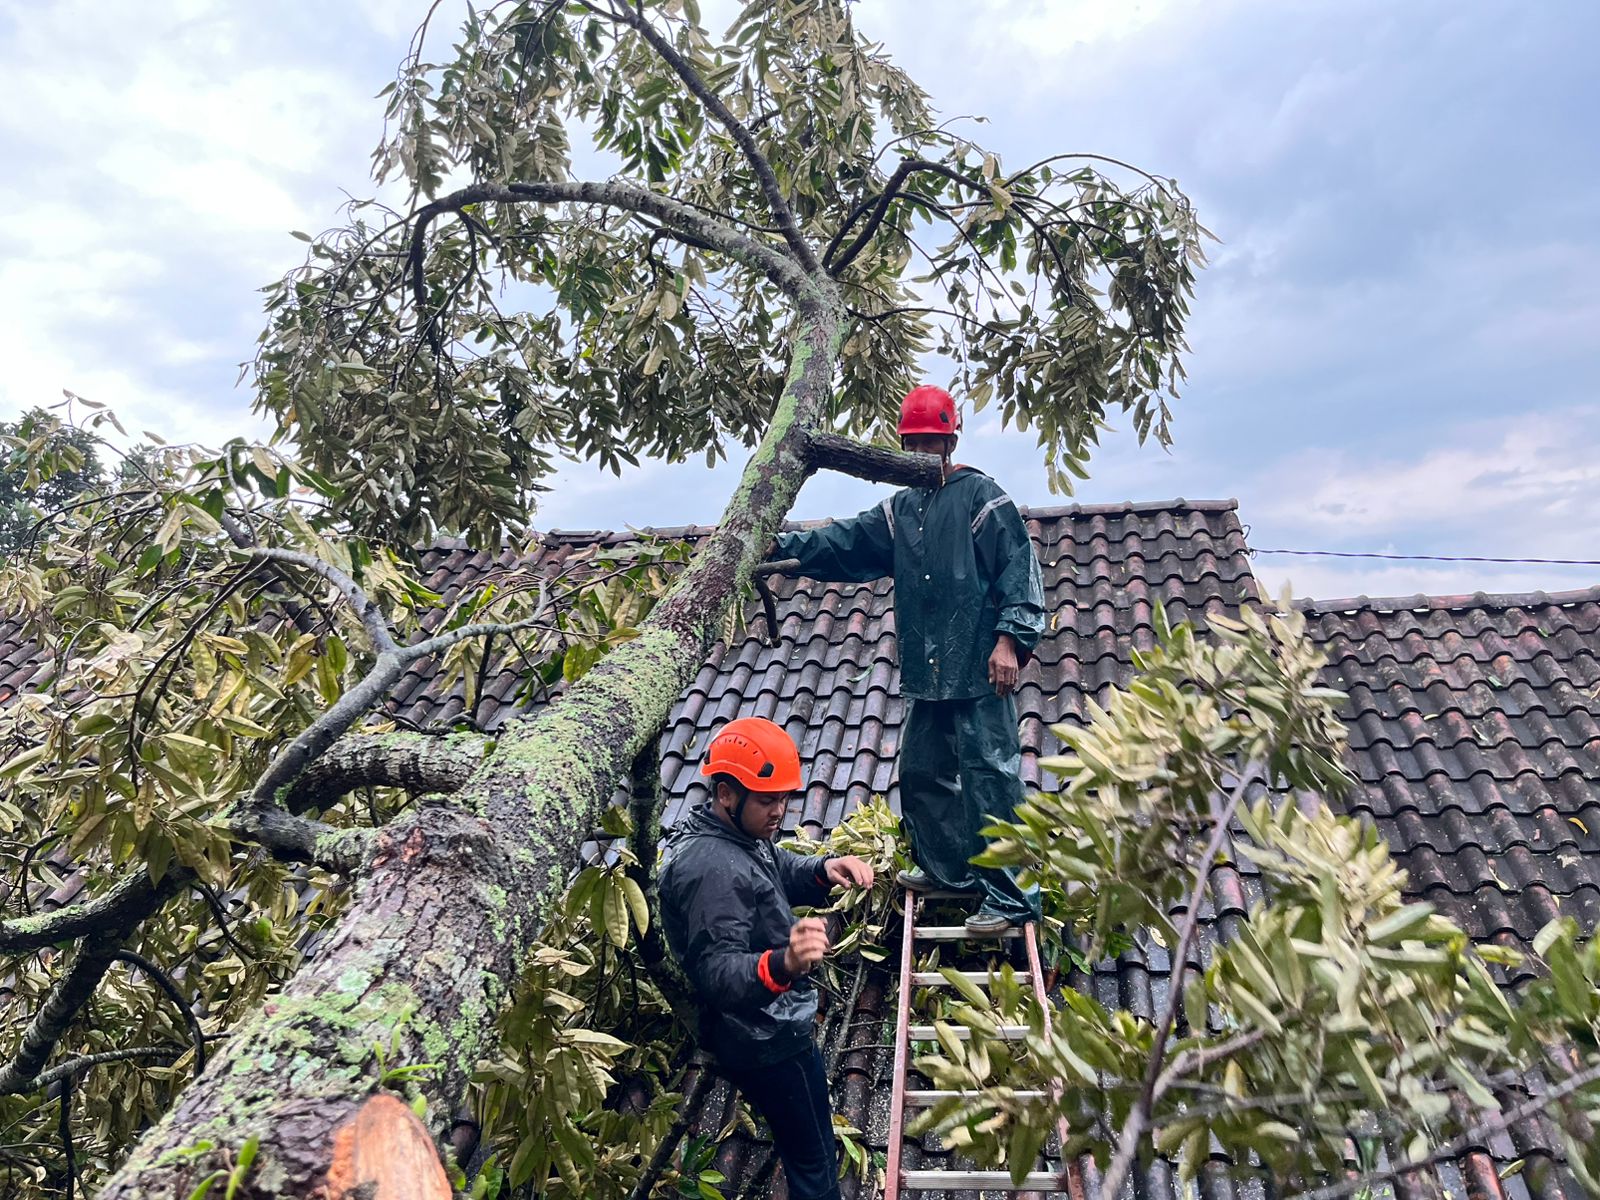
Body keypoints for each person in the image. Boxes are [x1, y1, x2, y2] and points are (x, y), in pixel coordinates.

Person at [772, 384, 1045, 935]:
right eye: (914, 443)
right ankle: (951, 873)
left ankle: (1012, 897)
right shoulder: (901, 508)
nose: (922, 451)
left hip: (979, 667)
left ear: (949, 441)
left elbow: (1020, 569)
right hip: (928, 668)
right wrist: (777, 547)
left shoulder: (981, 497)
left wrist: (1010, 641)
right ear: (901, 444)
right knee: (921, 773)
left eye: (931, 442)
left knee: (991, 776)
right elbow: (846, 543)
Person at [659, 717, 876, 1200]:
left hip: (764, 1025)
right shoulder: (711, 870)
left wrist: (823, 869)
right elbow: (716, 973)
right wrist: (785, 964)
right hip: (766, 1038)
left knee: (809, 1152)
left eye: (783, 798)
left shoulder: (733, 835)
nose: (779, 811)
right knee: (814, 1162)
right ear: (725, 794)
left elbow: (774, 865)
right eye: (767, 800)